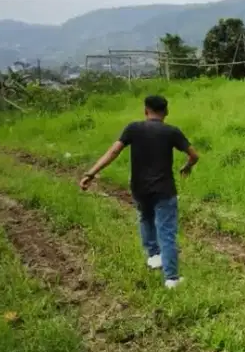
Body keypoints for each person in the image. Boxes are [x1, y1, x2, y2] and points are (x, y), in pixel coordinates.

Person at [79, 95, 199, 288]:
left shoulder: (133, 128)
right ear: (166, 112)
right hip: (164, 189)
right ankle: (171, 278)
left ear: (145, 111)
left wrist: (91, 173)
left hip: (139, 188)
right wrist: (187, 167)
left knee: (145, 218)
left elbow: (113, 152)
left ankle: (153, 256)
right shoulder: (171, 132)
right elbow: (194, 155)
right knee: (166, 231)